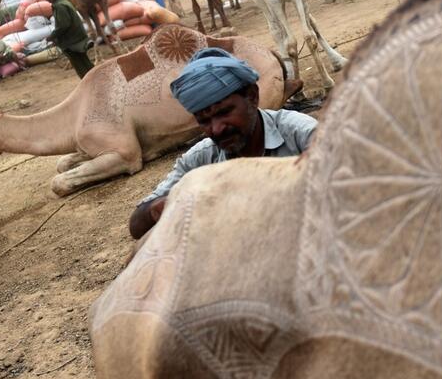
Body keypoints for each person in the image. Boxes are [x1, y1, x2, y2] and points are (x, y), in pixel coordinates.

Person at [129, 48, 318, 240]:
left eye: (224, 112)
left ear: (252, 96)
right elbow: (136, 226)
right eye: (204, 121)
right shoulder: (201, 158)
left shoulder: (301, 133)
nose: (216, 129)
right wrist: (157, 208)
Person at [39, 0, 94, 78]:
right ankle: (97, 80)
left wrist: (52, 37)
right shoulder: (64, 2)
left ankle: (91, 84)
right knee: (86, 64)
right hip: (77, 38)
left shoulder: (59, 6)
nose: (46, 0)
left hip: (72, 42)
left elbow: (63, 25)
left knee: (82, 68)